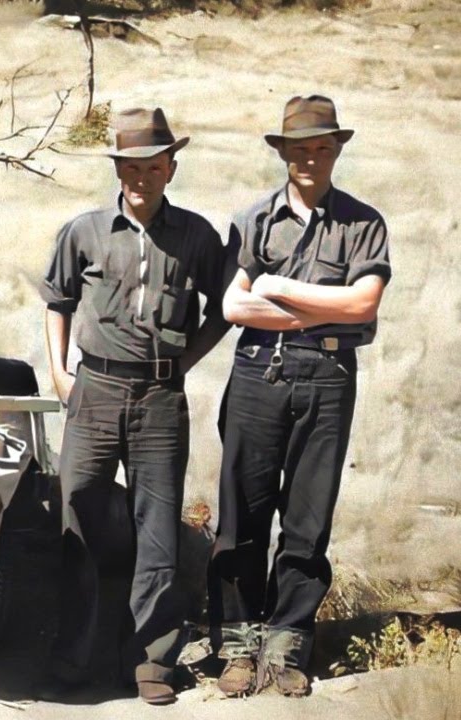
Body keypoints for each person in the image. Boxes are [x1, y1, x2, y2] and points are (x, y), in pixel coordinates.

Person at [37, 108, 230, 705]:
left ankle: (152, 660)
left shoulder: (196, 236)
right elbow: (57, 300)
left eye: (152, 165)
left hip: (159, 398)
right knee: (77, 516)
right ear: (117, 170)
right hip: (93, 391)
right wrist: (60, 373)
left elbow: (223, 309)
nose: (141, 177)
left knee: (158, 529)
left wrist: (183, 364)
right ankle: (76, 653)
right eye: (130, 167)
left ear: (171, 168)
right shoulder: (86, 231)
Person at [207, 95, 390, 698]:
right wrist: (324, 312)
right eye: (300, 149)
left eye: (322, 147)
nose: (311, 158)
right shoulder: (255, 220)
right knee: (241, 514)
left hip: (328, 381)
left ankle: (288, 643)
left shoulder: (364, 223)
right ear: (281, 153)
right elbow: (234, 306)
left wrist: (280, 288)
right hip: (258, 373)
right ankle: (237, 642)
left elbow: (364, 304)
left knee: (308, 519)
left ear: (336, 149)